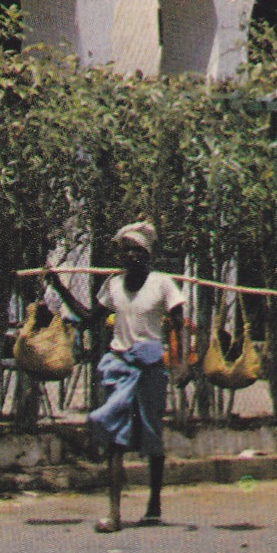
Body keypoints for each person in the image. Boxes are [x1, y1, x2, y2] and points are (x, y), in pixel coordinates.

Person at [50, 220, 185, 533]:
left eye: (136, 251)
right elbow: (88, 318)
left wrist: (181, 363)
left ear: (147, 254)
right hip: (119, 366)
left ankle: (153, 504)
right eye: (125, 251)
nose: (130, 256)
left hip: (150, 369)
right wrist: (59, 288)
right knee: (115, 438)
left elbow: (179, 322)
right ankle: (114, 514)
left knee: (152, 436)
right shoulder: (112, 285)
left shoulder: (163, 284)